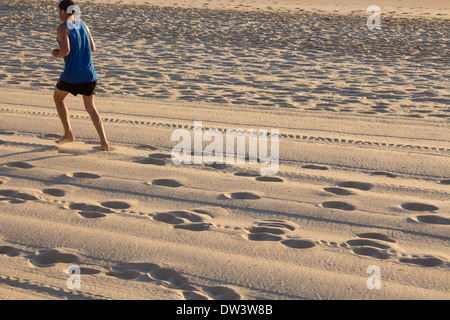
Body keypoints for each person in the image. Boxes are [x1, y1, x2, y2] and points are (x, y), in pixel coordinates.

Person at [52, 0, 110, 151]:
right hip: (90, 74)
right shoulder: (84, 25)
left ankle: (68, 134)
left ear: (64, 12)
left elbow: (65, 51)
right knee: (90, 107)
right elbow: (93, 48)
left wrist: (55, 53)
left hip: (72, 75)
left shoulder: (63, 28)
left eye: (59, 11)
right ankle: (104, 143)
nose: (58, 13)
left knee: (58, 98)